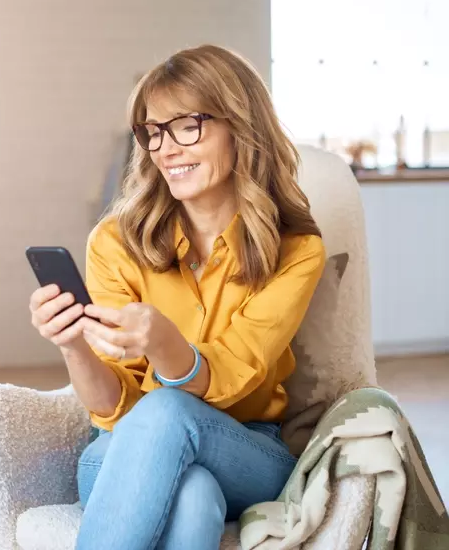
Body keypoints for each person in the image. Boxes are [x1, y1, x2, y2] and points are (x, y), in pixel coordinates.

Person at [28, 44, 326, 549]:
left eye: (187, 125)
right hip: (120, 449)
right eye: (153, 132)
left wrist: (165, 344)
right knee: (190, 497)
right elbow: (110, 409)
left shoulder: (297, 252)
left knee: (168, 411)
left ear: (242, 128)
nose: (165, 148)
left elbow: (235, 374)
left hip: (244, 449)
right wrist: (73, 345)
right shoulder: (115, 242)